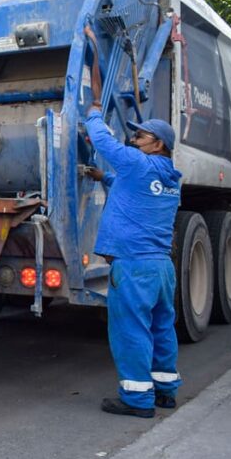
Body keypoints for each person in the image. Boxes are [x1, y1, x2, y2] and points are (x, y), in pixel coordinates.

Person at [83, 25, 183, 418]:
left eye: (141, 136)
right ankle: (165, 390)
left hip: (135, 266)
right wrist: (103, 179)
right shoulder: (169, 178)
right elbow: (138, 193)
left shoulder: (139, 164)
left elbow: (105, 144)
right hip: (160, 268)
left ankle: (137, 400)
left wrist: (93, 115)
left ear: (157, 144)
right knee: (162, 328)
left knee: (131, 331)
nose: (136, 138)